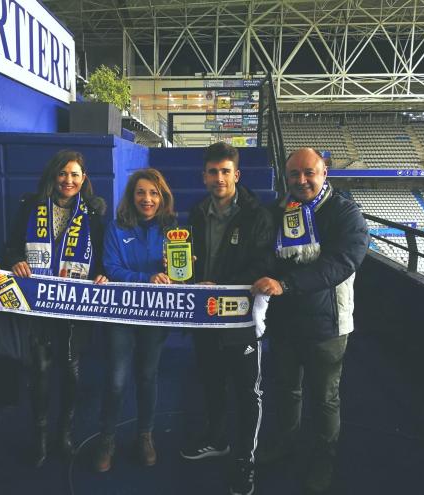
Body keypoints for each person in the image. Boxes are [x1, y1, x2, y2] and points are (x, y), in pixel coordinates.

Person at [251, 147, 369, 493]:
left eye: (309, 173)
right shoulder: (279, 210)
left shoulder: (346, 213)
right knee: (287, 390)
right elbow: (268, 256)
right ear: (285, 178)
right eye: (294, 175)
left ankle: (322, 461)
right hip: (286, 322)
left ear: (324, 174)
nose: (301, 181)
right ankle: (286, 445)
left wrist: (285, 283)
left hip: (327, 325)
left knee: (324, 398)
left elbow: (342, 262)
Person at [179, 142, 274, 495]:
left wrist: (218, 286)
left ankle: (245, 459)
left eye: (225, 171)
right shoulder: (197, 212)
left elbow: (262, 266)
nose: (218, 178)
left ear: (237, 174)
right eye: (212, 171)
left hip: (240, 322)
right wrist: (187, 279)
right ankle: (218, 439)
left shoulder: (257, 216)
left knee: (248, 392)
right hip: (206, 320)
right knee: (212, 382)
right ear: (203, 176)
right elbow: (188, 260)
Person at [2, 150, 107, 467]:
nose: (68, 180)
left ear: (83, 178)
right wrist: (15, 260)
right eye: (63, 173)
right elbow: (11, 246)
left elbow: (102, 254)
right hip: (40, 303)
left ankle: (65, 431)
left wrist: (105, 273)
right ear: (53, 175)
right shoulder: (31, 205)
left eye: (75, 174)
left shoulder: (94, 211)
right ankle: (41, 436)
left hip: (75, 304)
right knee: (41, 371)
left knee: (72, 371)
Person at [93, 168, 176, 472]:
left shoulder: (172, 228)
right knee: (116, 379)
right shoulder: (116, 227)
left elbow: (178, 274)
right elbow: (111, 268)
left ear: (162, 197)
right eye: (141, 192)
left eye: (154, 193)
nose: (147, 198)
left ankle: (145, 435)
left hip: (155, 313)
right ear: (132, 195)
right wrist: (147, 277)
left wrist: (178, 268)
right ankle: (107, 438)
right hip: (121, 313)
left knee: (147, 376)